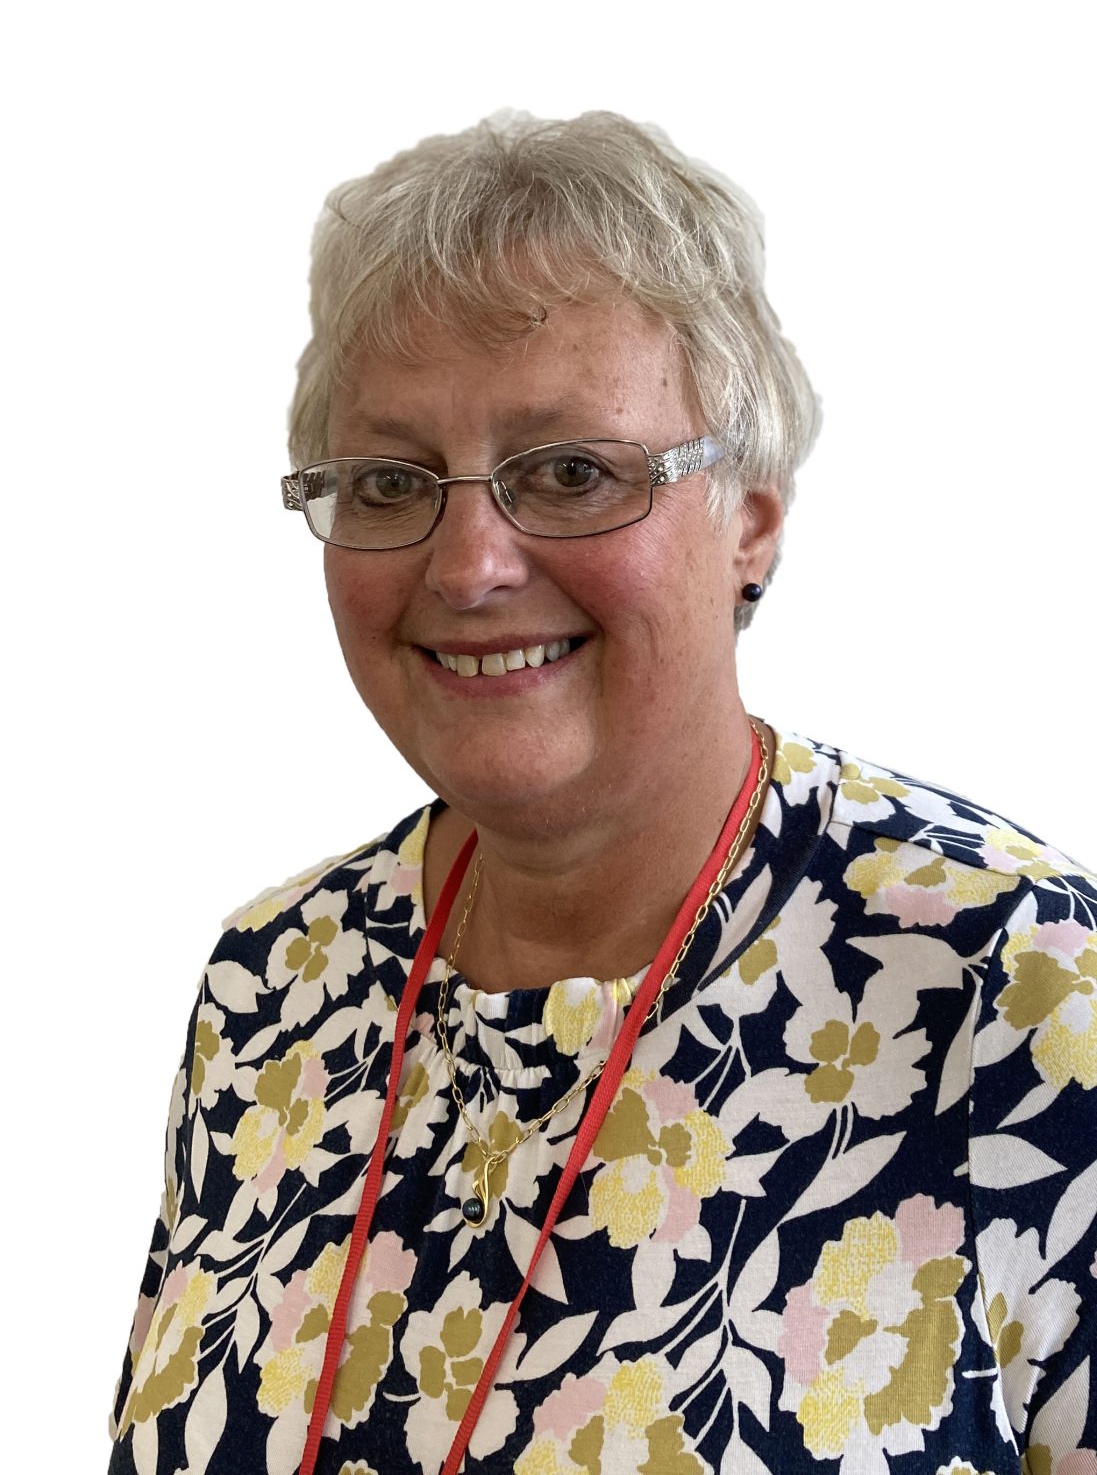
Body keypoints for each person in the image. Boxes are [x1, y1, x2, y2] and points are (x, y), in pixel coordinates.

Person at [107, 111, 1096, 1475]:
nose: (469, 566)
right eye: (390, 481)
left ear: (751, 518)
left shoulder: (1024, 990)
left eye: (571, 472)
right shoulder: (275, 981)